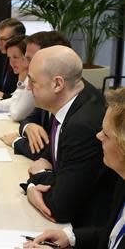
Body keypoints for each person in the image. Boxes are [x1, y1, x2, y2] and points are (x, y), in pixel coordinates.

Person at [21, 45, 117, 228]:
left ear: (58, 84)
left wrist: (33, 185)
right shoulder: (77, 91)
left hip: (85, 229)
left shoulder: (82, 126)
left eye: (33, 82)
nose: (28, 88)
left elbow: (59, 208)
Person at [23, 88, 125, 249]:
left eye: (106, 134)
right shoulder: (122, 180)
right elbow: (111, 234)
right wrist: (71, 237)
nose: (98, 136)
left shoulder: (81, 123)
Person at [0, 31, 71, 160]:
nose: (25, 65)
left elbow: (54, 156)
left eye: (30, 60)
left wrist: (17, 142)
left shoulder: (77, 113)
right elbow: (29, 118)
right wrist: (28, 126)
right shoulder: (47, 91)